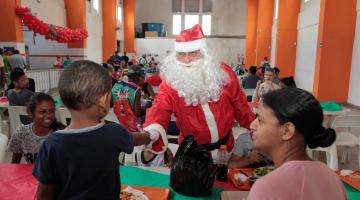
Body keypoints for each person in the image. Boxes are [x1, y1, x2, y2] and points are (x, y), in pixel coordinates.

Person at [32, 60, 159, 199]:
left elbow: (44, 193)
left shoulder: (50, 144)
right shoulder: (113, 133)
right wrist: (150, 135)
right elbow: (137, 138)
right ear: (103, 100)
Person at [143, 24, 255, 155]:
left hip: (226, 149)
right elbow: (159, 108)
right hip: (192, 153)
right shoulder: (171, 82)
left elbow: (240, 104)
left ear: (203, 53)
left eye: (193, 53)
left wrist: (255, 126)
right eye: (181, 55)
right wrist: (153, 130)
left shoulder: (223, 73)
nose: (187, 60)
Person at [248, 88, 346, 200]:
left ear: (286, 131)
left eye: (260, 120)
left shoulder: (265, 188)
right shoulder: (333, 179)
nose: (252, 125)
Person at [7, 93, 63, 164]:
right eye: (42, 112)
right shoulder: (21, 133)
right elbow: (15, 164)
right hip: (30, 174)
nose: (49, 116)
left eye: (52, 111)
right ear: (30, 113)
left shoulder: (61, 133)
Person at [112, 65, 150, 132]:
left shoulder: (117, 84)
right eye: (141, 76)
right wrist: (147, 106)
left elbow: (111, 103)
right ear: (138, 77)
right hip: (131, 127)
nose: (142, 78)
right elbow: (137, 113)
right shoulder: (135, 89)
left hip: (118, 123)